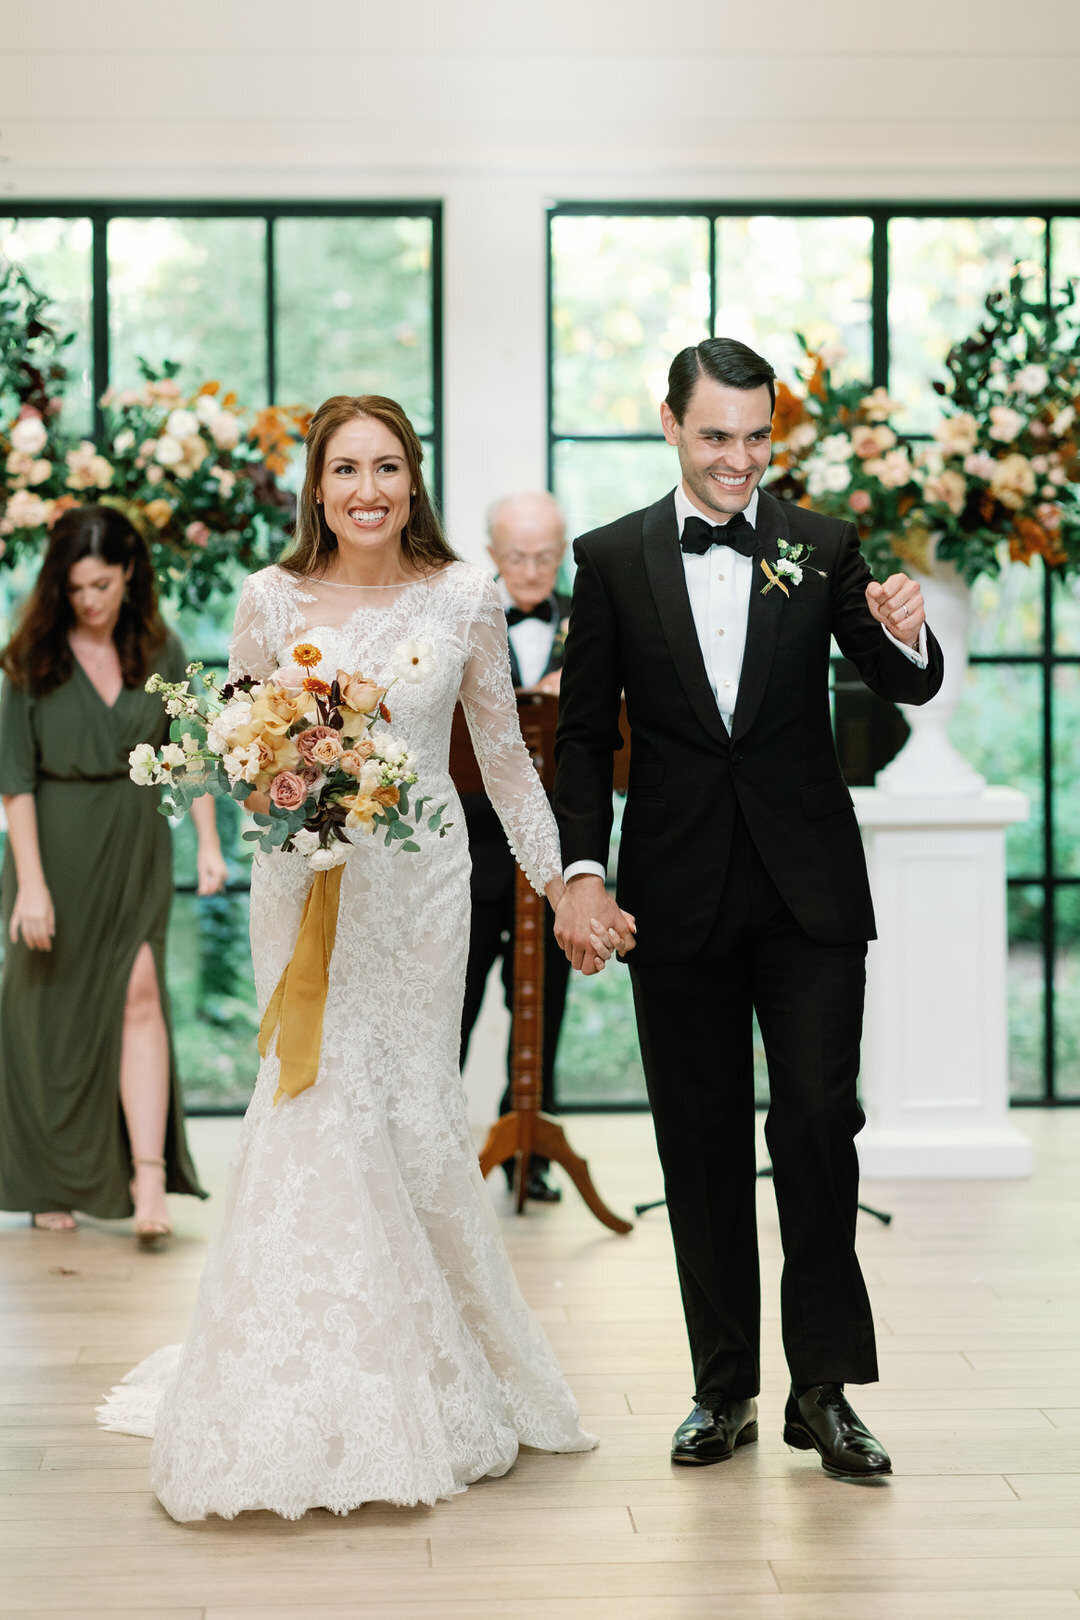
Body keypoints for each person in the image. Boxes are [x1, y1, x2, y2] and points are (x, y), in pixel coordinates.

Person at [98, 395, 600, 1522]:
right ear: (315, 488)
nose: (366, 490)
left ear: (412, 478)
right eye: (344, 471)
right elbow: (237, 739)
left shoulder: (464, 593)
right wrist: (275, 778)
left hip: (420, 892)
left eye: (386, 467)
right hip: (306, 886)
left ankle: (450, 1364)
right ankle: (304, 1374)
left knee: (412, 1105)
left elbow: (509, 766)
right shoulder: (269, 598)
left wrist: (562, 876)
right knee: (313, 1097)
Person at [552, 338, 944, 1479]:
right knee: (701, 1140)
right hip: (674, 895)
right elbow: (582, 740)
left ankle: (823, 1391)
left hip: (810, 892)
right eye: (716, 435)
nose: (739, 460)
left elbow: (901, 681)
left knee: (820, 1123)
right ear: (669, 424)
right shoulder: (614, 558)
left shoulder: (821, 549)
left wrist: (911, 627)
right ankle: (721, 1387)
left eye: (758, 437)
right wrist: (584, 868)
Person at [0, 505, 225, 1240]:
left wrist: (210, 844)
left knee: (138, 994)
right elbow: (15, 780)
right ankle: (51, 1176)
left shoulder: (160, 649)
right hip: (53, 847)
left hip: (134, 842)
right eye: (75, 589)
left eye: (101, 583)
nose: (89, 600)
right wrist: (30, 883)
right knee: (48, 1017)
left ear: (129, 573)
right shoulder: (30, 658)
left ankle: (149, 1177)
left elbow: (187, 755)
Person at [460, 491, 572, 1202]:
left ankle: (528, 1150)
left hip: (557, 853)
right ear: (493, 554)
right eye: (517, 556)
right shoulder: (462, 620)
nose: (531, 571)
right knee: (452, 1002)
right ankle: (433, 1151)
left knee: (544, 1006)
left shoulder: (593, 623)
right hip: (468, 851)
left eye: (545, 556)